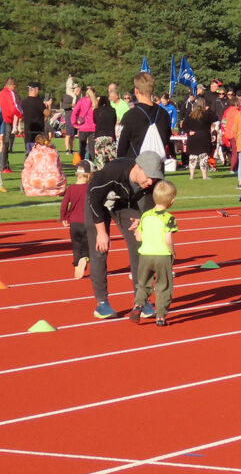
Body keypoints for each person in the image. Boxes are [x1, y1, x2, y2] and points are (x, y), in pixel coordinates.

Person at [85, 151, 165, 319]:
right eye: (148, 177)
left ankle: (141, 300)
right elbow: (94, 199)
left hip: (124, 203)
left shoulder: (153, 183)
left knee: (139, 246)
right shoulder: (111, 173)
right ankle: (102, 303)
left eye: (155, 178)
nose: (150, 182)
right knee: (100, 249)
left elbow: (151, 207)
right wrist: (101, 233)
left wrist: (141, 222)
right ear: (138, 167)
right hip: (97, 203)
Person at [130, 179, 178, 327]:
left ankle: (138, 305)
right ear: (172, 201)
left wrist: (136, 232)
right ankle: (161, 316)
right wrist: (173, 252)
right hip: (162, 255)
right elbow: (168, 238)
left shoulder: (145, 215)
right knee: (163, 286)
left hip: (145, 255)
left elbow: (139, 236)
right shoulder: (168, 218)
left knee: (143, 283)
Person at [117, 72, 172, 159]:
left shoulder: (130, 116)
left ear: (136, 91)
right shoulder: (164, 114)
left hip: (135, 167)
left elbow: (121, 147)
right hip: (157, 167)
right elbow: (166, 138)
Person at [60, 160, 92, 279]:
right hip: (87, 221)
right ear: (89, 175)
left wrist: (63, 217)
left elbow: (64, 205)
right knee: (88, 243)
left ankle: (76, 265)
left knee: (76, 245)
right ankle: (85, 258)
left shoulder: (71, 188)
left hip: (74, 222)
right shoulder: (90, 188)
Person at [181, 98, 215, 180]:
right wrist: (213, 134)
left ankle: (191, 175)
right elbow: (212, 125)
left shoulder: (190, 115)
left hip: (193, 137)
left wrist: (189, 132)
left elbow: (184, 126)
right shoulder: (207, 114)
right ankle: (204, 176)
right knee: (203, 157)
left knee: (193, 157)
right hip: (204, 137)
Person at [0, 77, 21, 174]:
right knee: (5, 144)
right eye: (15, 86)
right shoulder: (9, 93)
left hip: (1, 120)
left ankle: (3, 165)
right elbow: (14, 106)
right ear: (11, 85)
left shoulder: (1, 94)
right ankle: (3, 166)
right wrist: (21, 114)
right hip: (6, 120)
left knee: (3, 143)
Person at [19, 82, 47, 153]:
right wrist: (48, 106)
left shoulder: (23, 102)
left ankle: (28, 163)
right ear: (35, 89)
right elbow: (47, 113)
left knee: (29, 151)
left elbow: (20, 116)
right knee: (39, 152)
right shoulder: (38, 102)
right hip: (38, 131)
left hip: (28, 130)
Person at [92, 94, 118, 167]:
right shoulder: (113, 110)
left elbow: (94, 121)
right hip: (110, 137)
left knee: (100, 160)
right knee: (112, 159)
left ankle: (101, 174)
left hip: (99, 136)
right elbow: (114, 121)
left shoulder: (96, 111)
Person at [72, 84, 96, 162]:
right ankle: (92, 164)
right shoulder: (95, 102)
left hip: (83, 127)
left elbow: (74, 112)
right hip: (93, 127)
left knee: (82, 147)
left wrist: (74, 123)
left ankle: (82, 163)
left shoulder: (81, 101)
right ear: (94, 93)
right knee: (92, 148)